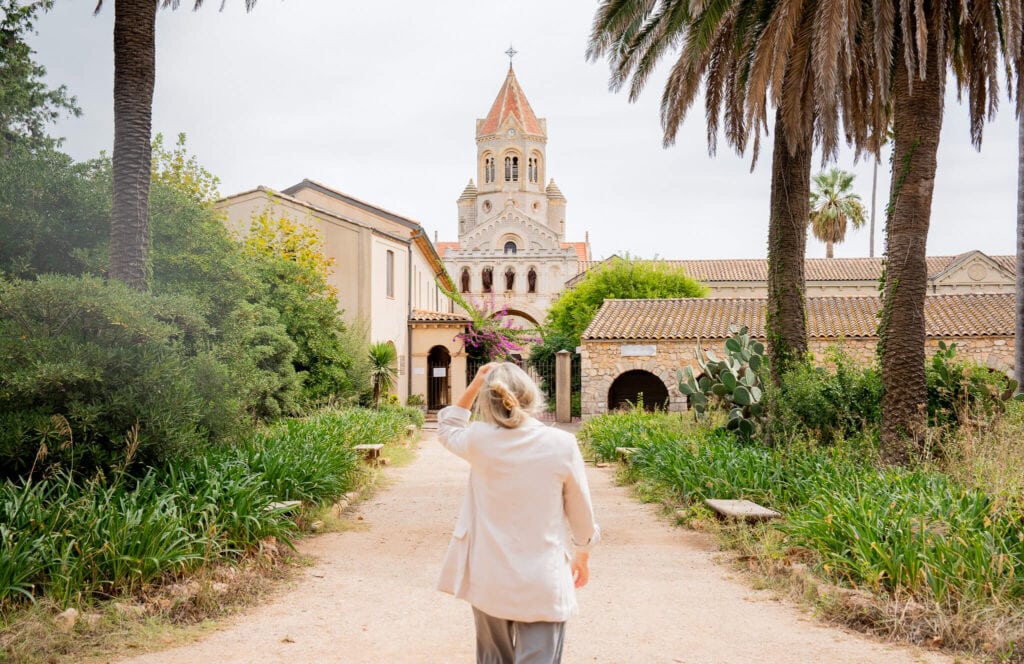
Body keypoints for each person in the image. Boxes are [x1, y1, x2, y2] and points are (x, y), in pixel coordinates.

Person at [437, 362, 600, 664]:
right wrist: (583, 555)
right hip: (543, 580)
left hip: (489, 578)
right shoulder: (561, 444)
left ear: (488, 401)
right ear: (532, 396)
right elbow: (581, 517)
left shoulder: (479, 440)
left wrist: (475, 383)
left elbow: (447, 427)